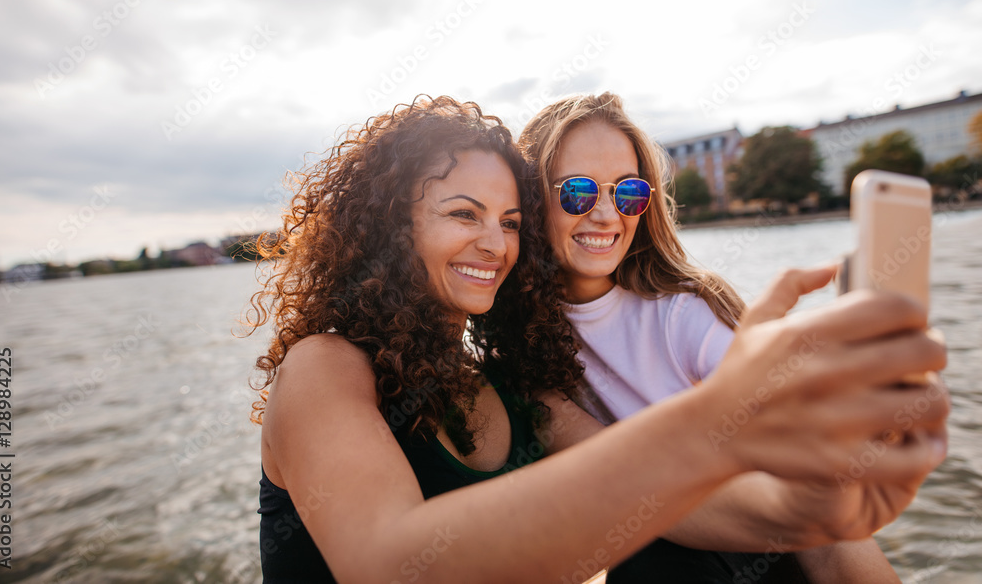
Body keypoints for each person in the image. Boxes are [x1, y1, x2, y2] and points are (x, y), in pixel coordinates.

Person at [245, 95, 948, 583]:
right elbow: (393, 565)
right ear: (390, 228)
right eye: (464, 213)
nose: (495, 242)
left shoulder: (505, 383)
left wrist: (815, 509)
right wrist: (716, 420)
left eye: (513, 221)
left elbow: (658, 497)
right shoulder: (323, 367)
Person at [517, 91, 932, 580]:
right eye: (578, 191)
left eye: (628, 192)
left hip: (766, 539)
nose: (608, 215)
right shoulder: (522, 347)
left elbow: (804, 466)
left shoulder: (680, 313)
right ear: (530, 198)